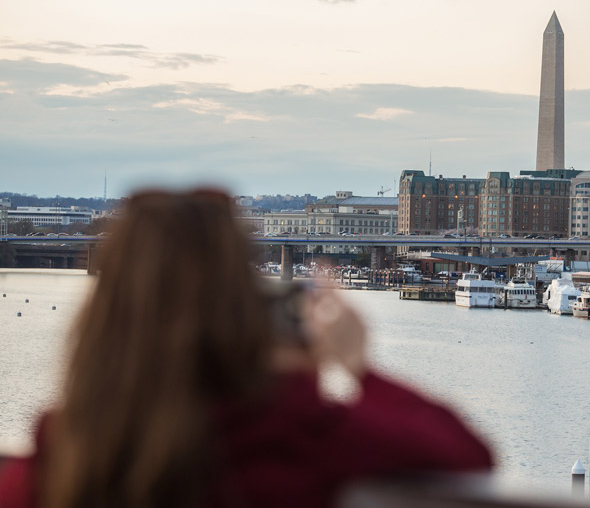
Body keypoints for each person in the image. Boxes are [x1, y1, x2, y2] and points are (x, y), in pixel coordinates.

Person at [0, 189, 492, 507]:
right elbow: (462, 450)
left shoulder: (54, 468)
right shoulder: (289, 440)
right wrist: (355, 365)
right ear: (242, 307)